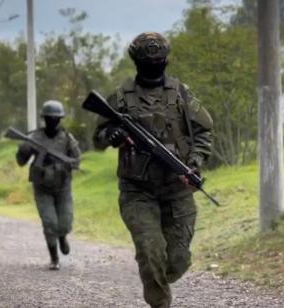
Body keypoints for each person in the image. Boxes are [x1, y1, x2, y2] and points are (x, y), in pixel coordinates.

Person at [92, 32, 214, 308]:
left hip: (177, 188)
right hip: (137, 191)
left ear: (166, 60)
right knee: (151, 251)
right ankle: (160, 302)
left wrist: (194, 162)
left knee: (178, 259)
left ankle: (158, 275)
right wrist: (112, 135)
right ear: (136, 61)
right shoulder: (121, 97)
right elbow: (97, 140)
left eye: (159, 61)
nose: (154, 66)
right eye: (149, 61)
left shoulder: (181, 93)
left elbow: (204, 131)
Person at [16, 100, 81, 270]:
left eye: (56, 118)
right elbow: (21, 161)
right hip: (42, 185)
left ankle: (62, 237)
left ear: (60, 119)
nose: (53, 121)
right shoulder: (34, 137)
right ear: (44, 119)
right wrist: (24, 149)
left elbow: (76, 159)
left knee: (65, 221)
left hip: (63, 186)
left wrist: (64, 161)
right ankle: (54, 258)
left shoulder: (67, 138)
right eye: (49, 118)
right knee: (49, 221)